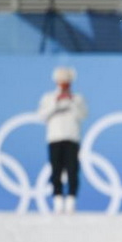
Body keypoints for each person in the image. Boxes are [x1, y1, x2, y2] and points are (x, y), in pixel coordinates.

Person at [37, 66, 88, 214]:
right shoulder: (48, 98)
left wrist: (71, 102)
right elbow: (41, 116)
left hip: (72, 138)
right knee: (56, 170)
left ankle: (71, 200)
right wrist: (56, 103)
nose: (64, 86)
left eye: (67, 83)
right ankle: (58, 200)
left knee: (73, 170)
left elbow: (83, 115)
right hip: (55, 138)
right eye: (62, 83)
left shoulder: (77, 98)